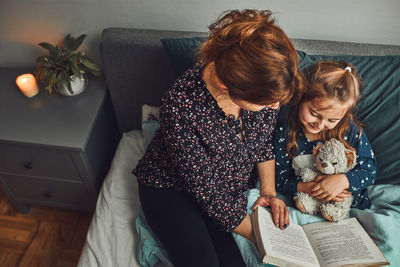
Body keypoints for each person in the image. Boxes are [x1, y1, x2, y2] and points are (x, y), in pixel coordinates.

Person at [133, 9, 305, 267]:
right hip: (170, 187)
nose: (275, 107)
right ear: (226, 86)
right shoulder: (180, 107)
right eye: (268, 103)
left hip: (225, 192)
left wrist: (268, 191)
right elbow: (211, 196)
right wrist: (268, 240)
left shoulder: (264, 86)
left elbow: (262, 143)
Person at [274, 60, 377, 214]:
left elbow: (369, 171)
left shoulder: (349, 130)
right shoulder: (285, 131)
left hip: (349, 207)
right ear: (301, 98)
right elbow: (277, 179)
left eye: (332, 120)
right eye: (314, 114)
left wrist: (343, 181)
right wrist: (307, 188)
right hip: (304, 204)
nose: (320, 125)